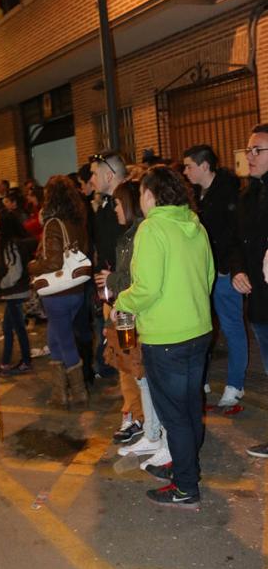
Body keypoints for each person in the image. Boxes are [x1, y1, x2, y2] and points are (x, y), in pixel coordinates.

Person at [114, 167, 214, 509]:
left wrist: (121, 302)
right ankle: (186, 468)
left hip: (166, 338)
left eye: (142, 192)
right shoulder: (195, 226)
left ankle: (186, 486)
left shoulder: (152, 228)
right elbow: (209, 276)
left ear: (150, 195)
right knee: (190, 410)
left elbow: (146, 288)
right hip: (198, 331)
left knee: (175, 416)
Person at [95, 181, 171, 471]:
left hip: (137, 313)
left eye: (117, 203)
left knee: (147, 376)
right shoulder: (130, 234)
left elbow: (139, 281)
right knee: (139, 375)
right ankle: (152, 434)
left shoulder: (144, 233)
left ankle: (158, 436)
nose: (114, 209)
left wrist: (112, 281)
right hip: (127, 311)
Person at [183, 143, 246, 408]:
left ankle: (235, 384)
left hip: (224, 273)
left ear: (204, 166)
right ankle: (202, 379)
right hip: (202, 274)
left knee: (232, 328)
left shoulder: (228, 194)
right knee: (202, 329)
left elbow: (236, 236)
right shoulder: (195, 195)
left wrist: (234, 268)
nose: (185, 172)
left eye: (189, 166)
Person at [28, 175, 89, 408]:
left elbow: (54, 263)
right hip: (76, 290)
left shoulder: (54, 224)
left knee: (64, 341)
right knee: (54, 339)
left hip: (58, 294)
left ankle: (78, 392)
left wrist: (32, 266)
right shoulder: (77, 221)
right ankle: (59, 393)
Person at [230, 124, 268, 458]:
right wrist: (238, 270)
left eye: (258, 150)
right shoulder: (245, 196)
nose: (250, 157)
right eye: (249, 151)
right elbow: (236, 242)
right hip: (258, 300)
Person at [90, 151, 127, 386]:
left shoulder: (127, 206)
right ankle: (132, 412)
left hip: (125, 294)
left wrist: (115, 280)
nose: (91, 179)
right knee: (118, 351)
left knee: (128, 352)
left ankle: (139, 415)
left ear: (109, 175)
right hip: (109, 292)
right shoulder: (105, 206)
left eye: (94, 174)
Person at [0, 210, 37, 376]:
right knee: (10, 327)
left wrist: (2, 284)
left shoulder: (10, 245)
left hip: (14, 292)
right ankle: (8, 362)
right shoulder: (17, 242)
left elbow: (15, 270)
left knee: (17, 328)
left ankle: (20, 362)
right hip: (17, 290)